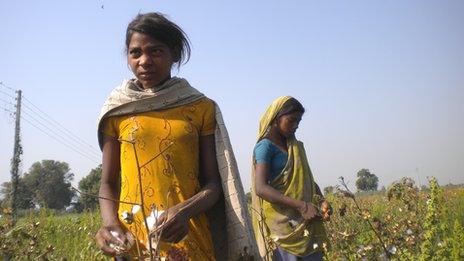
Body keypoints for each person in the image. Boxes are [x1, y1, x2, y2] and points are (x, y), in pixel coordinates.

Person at [95, 12, 256, 260]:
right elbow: (107, 183)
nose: (144, 60)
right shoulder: (117, 110)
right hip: (134, 241)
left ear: (174, 54)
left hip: (187, 236)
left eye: (156, 51)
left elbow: (213, 185)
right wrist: (110, 224)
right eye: (135, 52)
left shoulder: (200, 107)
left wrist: (184, 210)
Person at [251, 96, 330, 261]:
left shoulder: (295, 146)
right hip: (283, 228)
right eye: (291, 120)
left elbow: (307, 180)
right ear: (276, 118)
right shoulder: (265, 147)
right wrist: (301, 206)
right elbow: (261, 188)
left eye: (299, 121)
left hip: (307, 223)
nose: (296, 125)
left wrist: (321, 200)